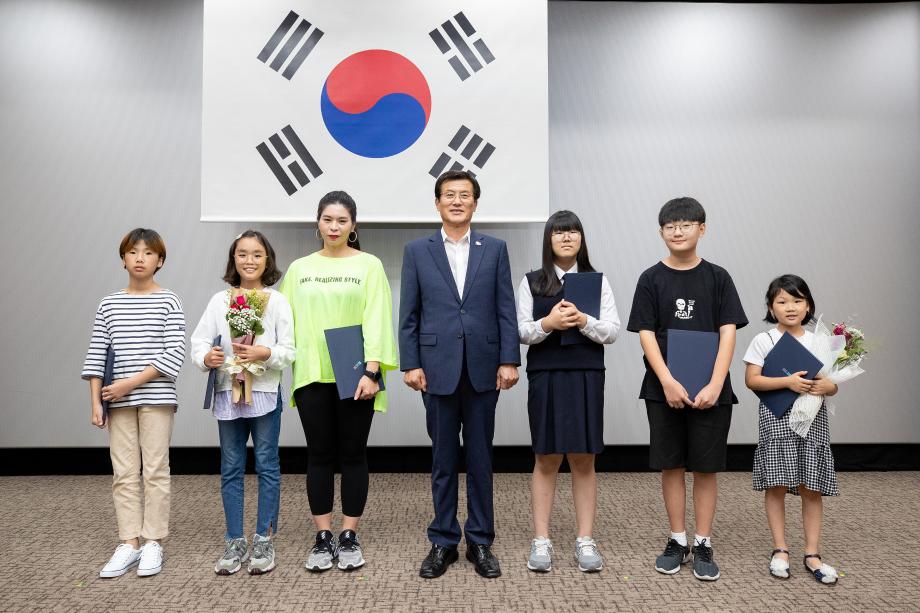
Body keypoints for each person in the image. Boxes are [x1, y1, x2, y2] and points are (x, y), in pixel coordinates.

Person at [399, 169, 521, 579]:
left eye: (464, 195)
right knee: (443, 458)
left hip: (485, 368)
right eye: (449, 195)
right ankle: (443, 540)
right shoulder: (417, 251)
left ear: (475, 203)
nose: (456, 201)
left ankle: (481, 541)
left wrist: (509, 359)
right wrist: (411, 363)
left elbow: (505, 308)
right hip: (436, 370)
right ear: (437, 203)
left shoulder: (495, 249)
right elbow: (410, 314)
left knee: (481, 457)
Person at [626, 197, 747, 581]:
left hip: (712, 389)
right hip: (664, 388)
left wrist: (716, 383)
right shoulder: (650, 278)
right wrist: (666, 380)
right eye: (670, 226)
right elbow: (646, 333)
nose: (677, 231)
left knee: (706, 469)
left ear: (702, 228)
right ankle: (677, 539)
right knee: (672, 464)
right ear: (661, 232)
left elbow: (728, 332)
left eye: (685, 224)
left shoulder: (718, 277)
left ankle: (703, 541)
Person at [279, 191, 398, 572]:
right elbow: (282, 321)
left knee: (353, 454)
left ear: (353, 226)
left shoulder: (369, 265)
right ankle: (322, 535)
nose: (334, 227)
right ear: (317, 223)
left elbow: (378, 317)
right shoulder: (299, 269)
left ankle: (348, 534)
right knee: (318, 454)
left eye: (342, 221)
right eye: (328, 219)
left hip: (356, 374)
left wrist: (372, 371)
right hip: (311, 372)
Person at [517, 211, 620, 573]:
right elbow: (521, 330)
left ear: (581, 238)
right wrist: (548, 323)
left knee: (583, 457)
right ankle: (541, 540)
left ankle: (585, 539)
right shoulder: (532, 281)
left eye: (573, 231)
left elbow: (612, 330)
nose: (566, 237)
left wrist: (584, 321)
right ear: (548, 239)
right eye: (559, 232)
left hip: (586, 374)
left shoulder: (597, 281)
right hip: (545, 375)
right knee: (546, 457)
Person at [81, 228, 186, 578]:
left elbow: (174, 354)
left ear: (160, 261)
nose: (140, 258)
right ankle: (129, 542)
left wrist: (128, 384)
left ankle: (153, 541)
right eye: (133, 252)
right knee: (123, 473)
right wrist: (96, 402)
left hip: (156, 398)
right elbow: (97, 354)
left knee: (155, 470)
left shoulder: (169, 301)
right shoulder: (108, 304)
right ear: (123, 259)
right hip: (117, 402)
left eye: (148, 253)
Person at [190, 230, 294, 575]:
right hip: (227, 393)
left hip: (264, 393)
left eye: (257, 254)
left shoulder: (276, 301)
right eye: (243, 254)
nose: (249, 261)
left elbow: (288, 350)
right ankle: (235, 540)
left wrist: (264, 352)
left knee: (267, 464)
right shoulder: (220, 301)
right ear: (233, 259)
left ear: (268, 260)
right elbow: (199, 342)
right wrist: (207, 357)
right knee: (231, 466)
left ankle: (264, 538)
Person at [743, 274, 840, 584]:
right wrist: (787, 382)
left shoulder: (820, 341)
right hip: (776, 419)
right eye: (782, 301)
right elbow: (752, 380)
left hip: (813, 422)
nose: (791, 307)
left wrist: (828, 386)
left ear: (808, 305)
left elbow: (833, 384)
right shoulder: (764, 340)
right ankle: (780, 549)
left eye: (798, 300)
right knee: (777, 485)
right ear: (771, 308)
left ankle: (812, 553)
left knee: (812, 487)